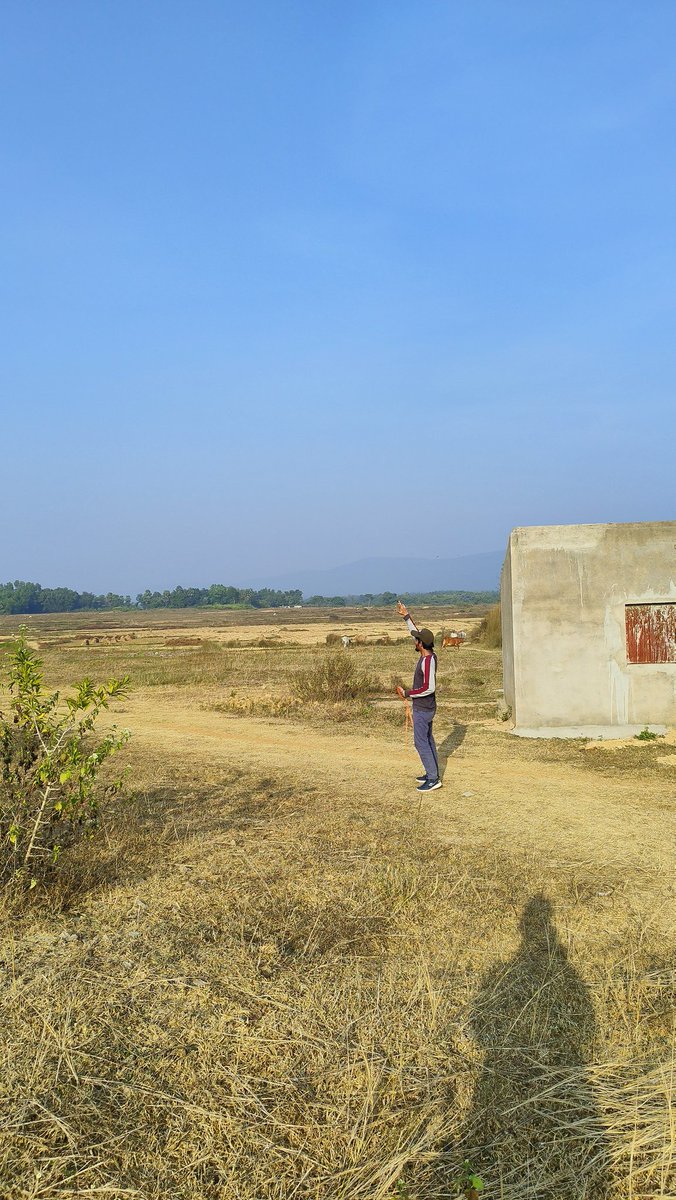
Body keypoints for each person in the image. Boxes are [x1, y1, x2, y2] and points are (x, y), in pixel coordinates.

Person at [395, 599, 441, 791]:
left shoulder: (427, 662)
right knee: (428, 740)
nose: (414, 640)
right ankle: (431, 773)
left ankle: (433, 779)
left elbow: (429, 688)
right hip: (425, 708)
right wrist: (406, 616)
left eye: (417, 640)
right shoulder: (427, 655)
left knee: (420, 742)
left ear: (421, 644)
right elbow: (414, 631)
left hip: (424, 709)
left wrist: (407, 693)